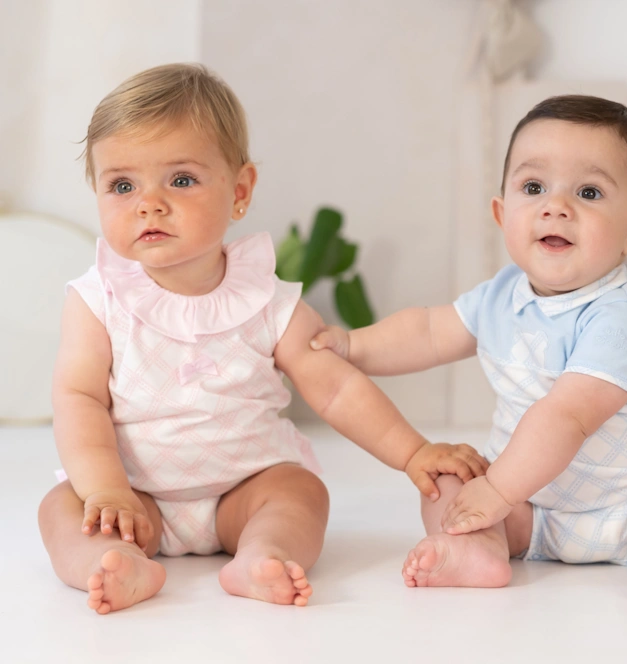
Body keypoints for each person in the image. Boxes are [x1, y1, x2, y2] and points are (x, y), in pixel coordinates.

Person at [37, 63, 488, 615]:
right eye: (122, 185)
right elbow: (79, 399)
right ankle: (110, 563)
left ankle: (261, 554)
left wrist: (413, 451)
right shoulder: (97, 299)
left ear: (240, 191)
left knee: (301, 493)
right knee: (63, 506)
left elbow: (336, 390)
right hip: (135, 496)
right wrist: (106, 489)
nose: (148, 203)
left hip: (244, 490)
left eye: (181, 179)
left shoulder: (268, 299)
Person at [311, 95, 627, 603]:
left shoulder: (622, 316)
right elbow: (428, 333)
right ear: (502, 213)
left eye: (588, 191)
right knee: (446, 480)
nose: (556, 206)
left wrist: (497, 492)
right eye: (534, 187)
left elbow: (566, 417)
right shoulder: (501, 295)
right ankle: (480, 549)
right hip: (527, 511)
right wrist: (350, 345)